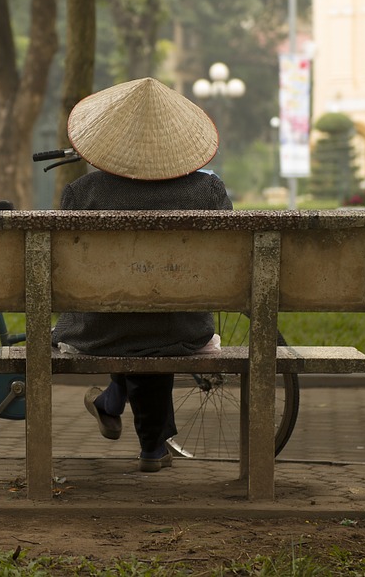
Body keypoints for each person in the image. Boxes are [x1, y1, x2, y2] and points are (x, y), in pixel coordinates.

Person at [51, 77, 232, 473]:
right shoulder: (208, 193)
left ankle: (116, 403)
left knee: (129, 311)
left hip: (100, 330)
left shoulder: (82, 193)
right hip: (183, 329)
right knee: (155, 316)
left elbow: (64, 269)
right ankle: (148, 443)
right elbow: (232, 260)